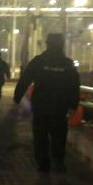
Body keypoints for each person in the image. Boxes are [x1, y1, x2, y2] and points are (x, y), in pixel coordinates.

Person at [13, 33, 80, 173]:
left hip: (40, 105)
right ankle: (59, 161)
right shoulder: (68, 64)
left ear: (47, 44)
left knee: (40, 136)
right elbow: (74, 86)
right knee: (59, 135)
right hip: (60, 106)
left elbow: (25, 79)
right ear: (62, 44)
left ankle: (43, 165)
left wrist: (17, 97)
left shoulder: (39, 61)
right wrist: (73, 105)